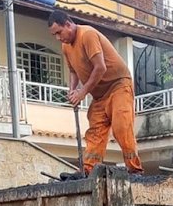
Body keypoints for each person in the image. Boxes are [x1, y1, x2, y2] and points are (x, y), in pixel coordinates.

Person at [48, 9, 143, 176]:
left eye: (59, 32)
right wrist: (72, 91)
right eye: (55, 35)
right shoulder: (66, 47)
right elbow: (73, 72)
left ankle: (135, 170)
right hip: (99, 94)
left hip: (118, 85)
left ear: (68, 24)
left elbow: (100, 67)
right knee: (95, 132)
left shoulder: (87, 35)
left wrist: (82, 92)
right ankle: (88, 170)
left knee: (122, 127)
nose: (58, 38)